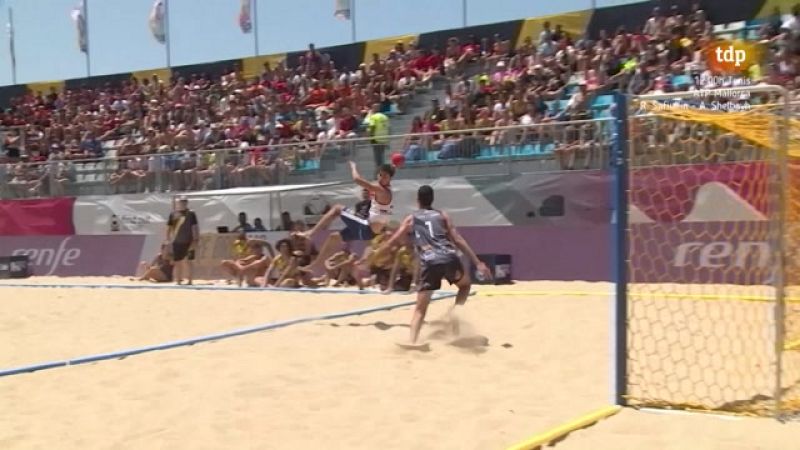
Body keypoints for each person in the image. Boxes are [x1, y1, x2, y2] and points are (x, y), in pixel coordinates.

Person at [374, 185, 491, 348]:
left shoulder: (411, 218)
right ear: (432, 199)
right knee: (464, 286)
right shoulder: (442, 215)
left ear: (417, 201)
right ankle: (456, 314)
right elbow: (457, 239)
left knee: (420, 309)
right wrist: (478, 263)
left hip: (429, 261)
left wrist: (376, 254)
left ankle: (413, 341)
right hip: (450, 257)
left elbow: (394, 240)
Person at [295, 161, 395, 271]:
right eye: (380, 175)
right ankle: (316, 265)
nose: (381, 178)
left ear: (390, 178)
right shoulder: (383, 191)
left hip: (366, 228)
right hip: (366, 232)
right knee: (334, 237)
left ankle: (311, 233)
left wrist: (353, 167)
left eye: (385, 176)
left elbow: (357, 180)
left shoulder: (382, 190)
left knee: (337, 208)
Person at [166, 197, 200, 285]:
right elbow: (169, 227)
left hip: (189, 241)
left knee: (189, 261)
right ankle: (178, 281)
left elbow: (195, 227)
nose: (181, 204)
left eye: (184, 203)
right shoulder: (173, 214)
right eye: (180, 203)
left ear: (186, 203)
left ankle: (190, 281)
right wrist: (167, 238)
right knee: (177, 262)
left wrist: (196, 239)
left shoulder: (191, 214)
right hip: (177, 241)